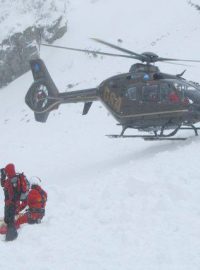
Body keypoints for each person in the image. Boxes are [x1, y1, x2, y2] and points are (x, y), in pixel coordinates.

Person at [1, 163, 28, 241]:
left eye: (6, 171)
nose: (6, 173)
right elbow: (3, 184)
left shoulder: (14, 180)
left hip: (12, 204)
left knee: (10, 220)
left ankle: (11, 236)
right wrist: (2, 176)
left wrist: (12, 202)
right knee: (7, 219)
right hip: (8, 203)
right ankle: (9, 228)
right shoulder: (9, 179)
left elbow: (15, 194)